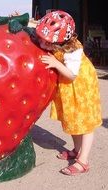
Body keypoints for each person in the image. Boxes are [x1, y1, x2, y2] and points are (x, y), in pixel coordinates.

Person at [35, 10, 102, 175]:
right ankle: (76, 150)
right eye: (41, 40)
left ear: (61, 41)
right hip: (68, 85)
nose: (42, 45)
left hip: (81, 86)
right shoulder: (56, 41)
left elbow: (72, 74)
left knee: (85, 123)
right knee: (72, 119)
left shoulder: (73, 49)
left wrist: (56, 64)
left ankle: (83, 161)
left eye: (47, 43)